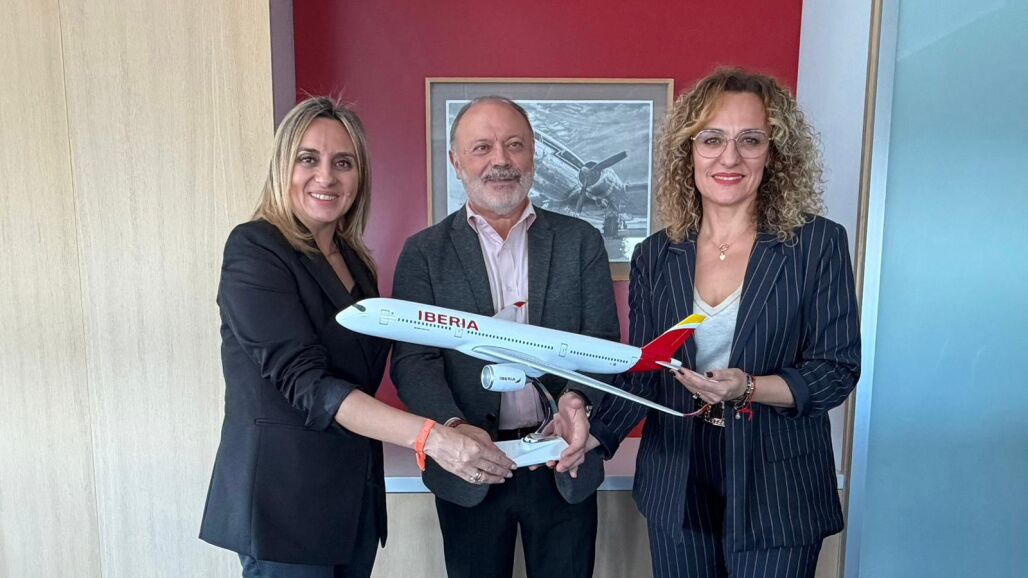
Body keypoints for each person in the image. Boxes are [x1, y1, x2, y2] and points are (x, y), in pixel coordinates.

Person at [199, 97, 515, 578]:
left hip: (351, 505)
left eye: (343, 163)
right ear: (283, 167)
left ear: (360, 176)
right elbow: (308, 384)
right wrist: (433, 437)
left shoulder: (355, 264)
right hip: (284, 507)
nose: (326, 176)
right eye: (308, 159)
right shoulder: (255, 248)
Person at [587, 68, 861, 578]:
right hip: (677, 474)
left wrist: (749, 387)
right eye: (711, 139)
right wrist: (590, 434)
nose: (729, 158)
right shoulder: (656, 254)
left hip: (778, 483)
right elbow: (644, 370)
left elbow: (835, 370)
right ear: (688, 151)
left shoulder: (818, 244)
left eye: (750, 140)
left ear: (774, 153)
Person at [390, 96, 620, 578]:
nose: (501, 160)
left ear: (532, 155)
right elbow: (414, 361)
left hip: (561, 462)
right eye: (482, 147)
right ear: (456, 162)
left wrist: (575, 400)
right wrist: (453, 426)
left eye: (514, 145)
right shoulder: (424, 253)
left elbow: (600, 341)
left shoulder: (580, 241)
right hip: (468, 465)